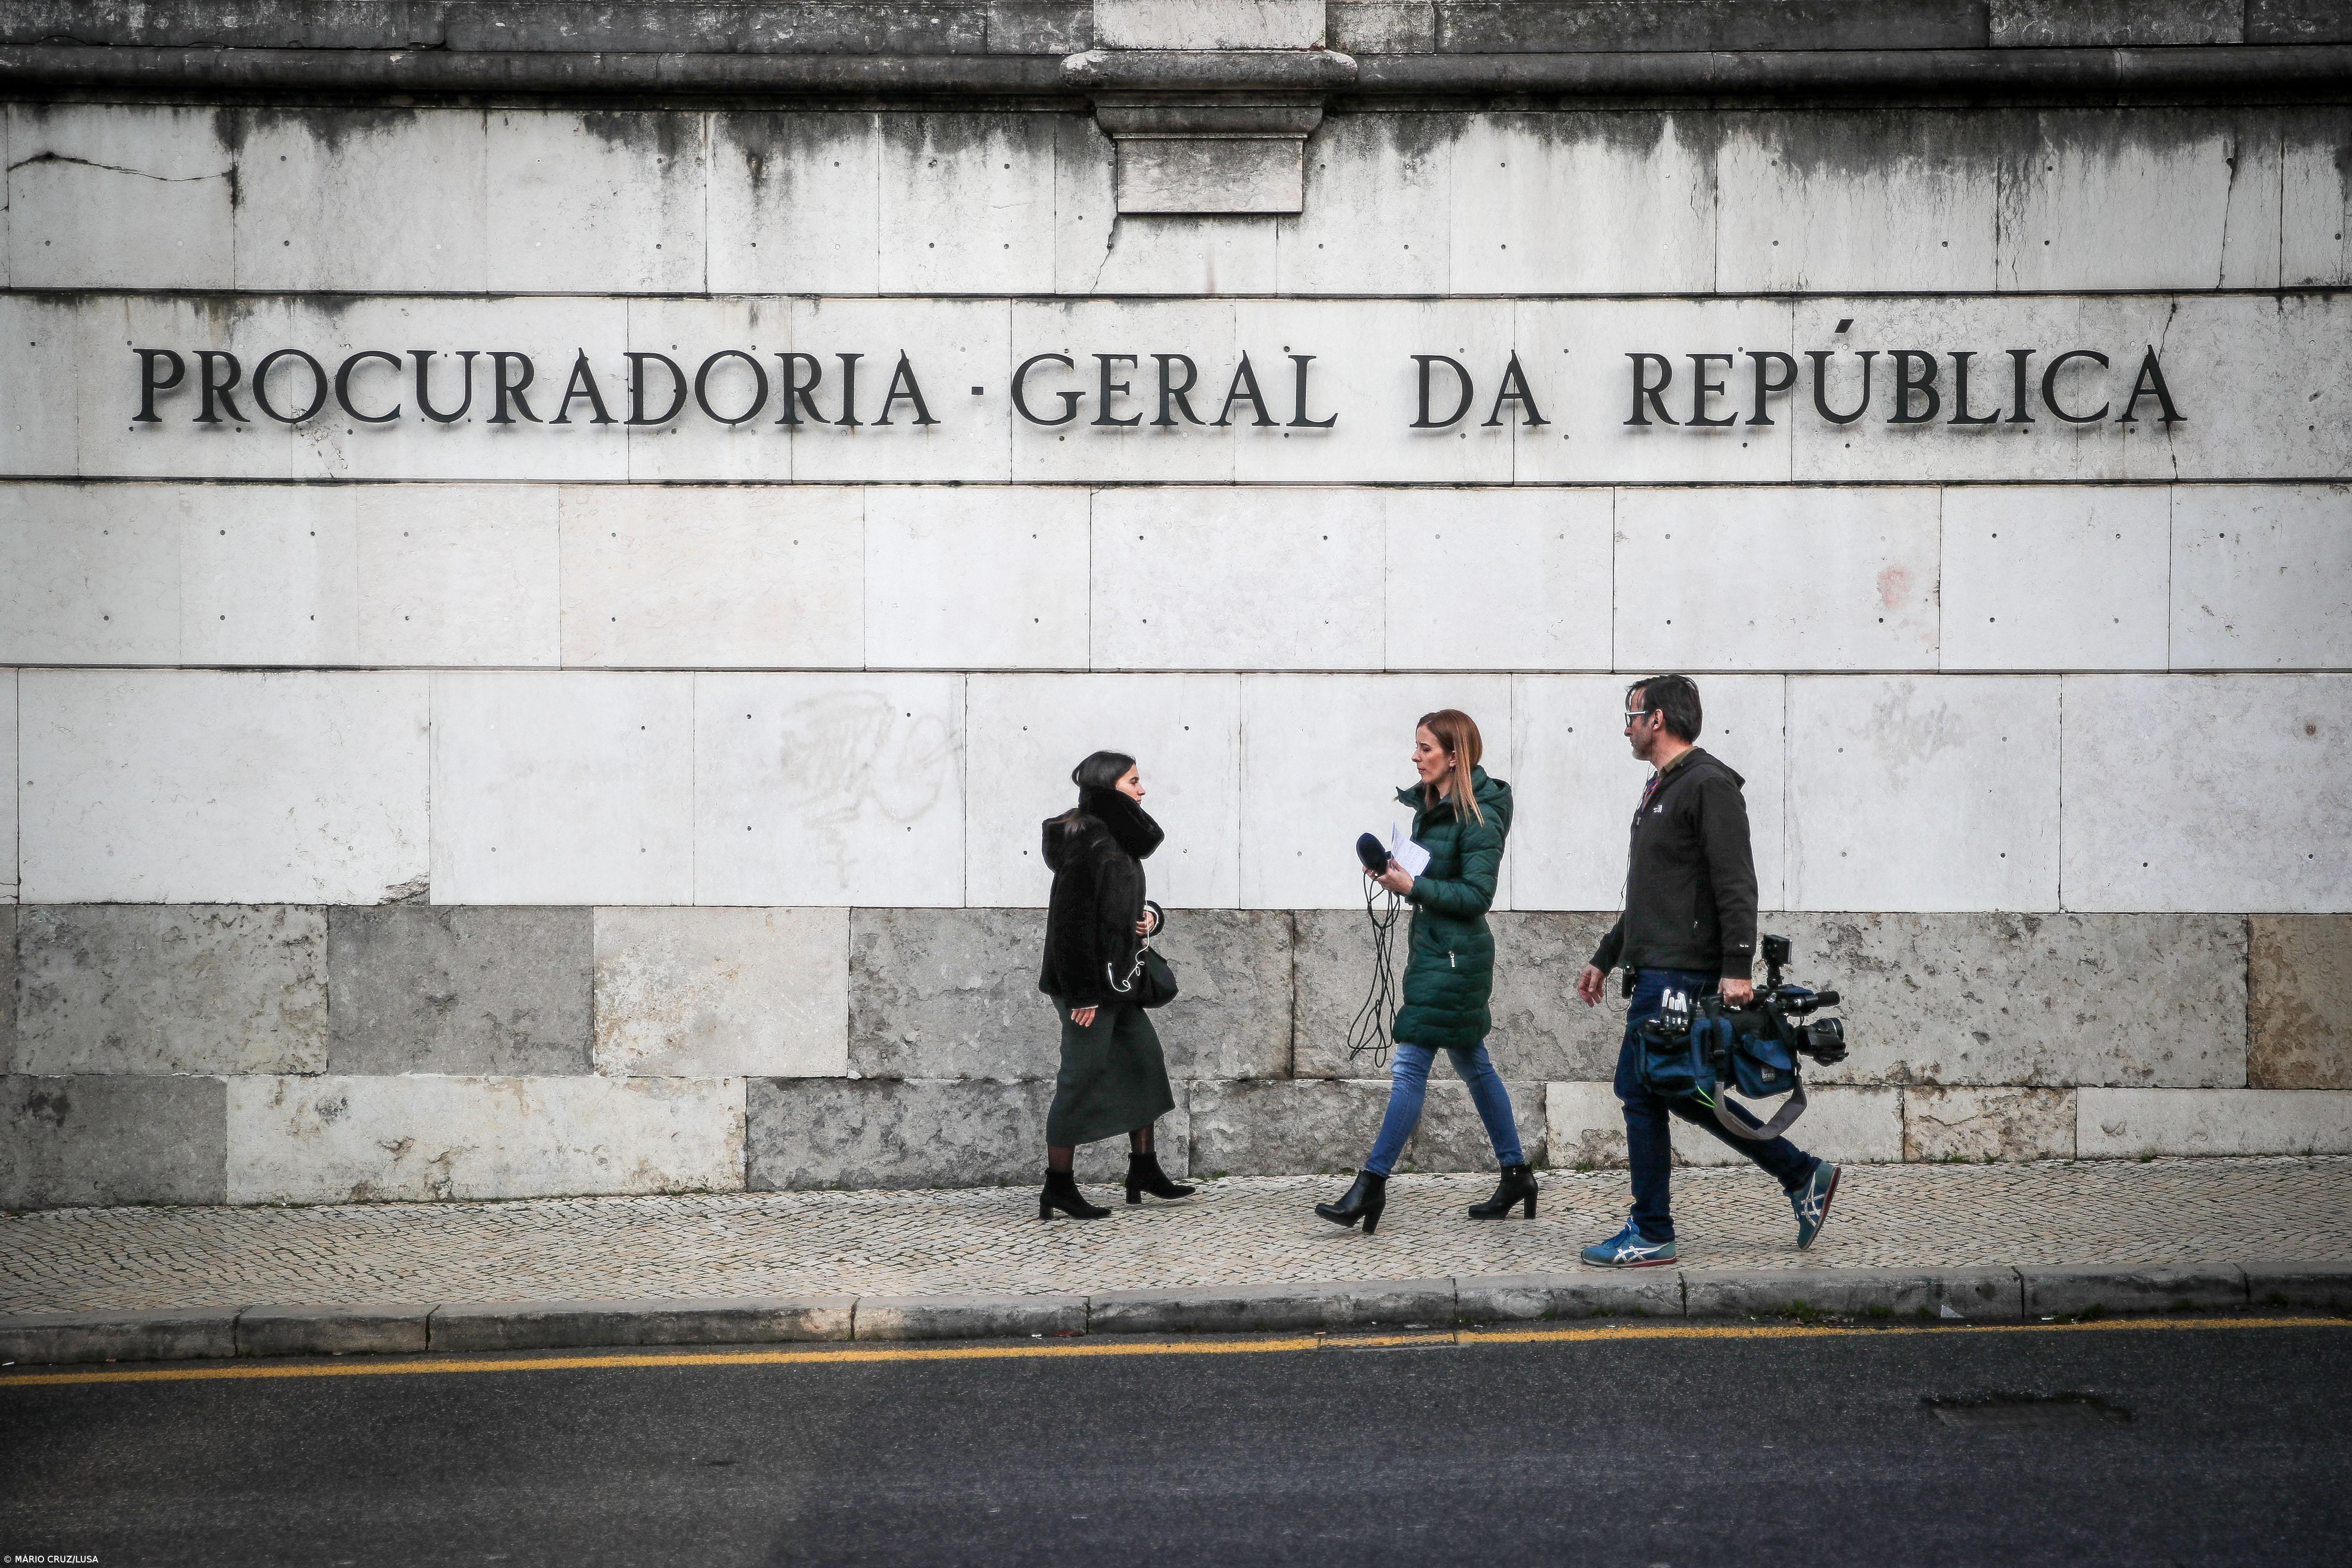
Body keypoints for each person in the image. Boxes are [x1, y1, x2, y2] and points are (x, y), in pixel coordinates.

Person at [1574, 675, 1841, 1266]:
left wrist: (1736, 967)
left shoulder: (1709, 785)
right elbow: (1650, 896)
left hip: (1681, 975)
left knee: (1641, 1092)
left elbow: (1735, 882)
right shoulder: (1662, 788)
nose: (1627, 725)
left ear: (1658, 719)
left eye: (1632, 713)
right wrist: (1605, 954)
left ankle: (1651, 1230)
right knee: (1677, 1090)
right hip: (1657, 968)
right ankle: (1802, 1174)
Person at [1316, 710, 1534, 1236]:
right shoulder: (1431, 807)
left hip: (1457, 959)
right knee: (1474, 1063)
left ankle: (1371, 1185)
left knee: (1411, 1063)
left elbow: (1478, 895)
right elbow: (1435, 876)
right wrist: (1398, 873)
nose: (1415, 756)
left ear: (1455, 755)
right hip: (1436, 949)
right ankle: (1517, 1173)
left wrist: (1413, 888)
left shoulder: (1481, 814)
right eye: (1416, 747)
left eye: (1425, 748)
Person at [1035, 750, 1194, 1220]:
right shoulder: (1089, 842)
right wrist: (1082, 992)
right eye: (1134, 782)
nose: (1143, 790)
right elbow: (1070, 923)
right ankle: (1058, 1186)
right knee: (1080, 1077)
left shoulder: (1116, 839)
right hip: (1089, 987)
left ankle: (1142, 1169)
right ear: (1109, 788)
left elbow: (1122, 906)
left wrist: (1149, 918)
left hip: (1120, 979)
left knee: (1144, 1061)